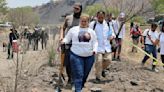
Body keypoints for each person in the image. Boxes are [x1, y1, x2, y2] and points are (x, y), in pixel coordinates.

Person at [62, 14, 98, 92]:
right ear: (80, 21)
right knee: (79, 74)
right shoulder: (73, 30)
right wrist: (63, 42)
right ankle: (78, 90)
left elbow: (95, 42)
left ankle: (78, 88)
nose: (83, 23)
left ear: (88, 22)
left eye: (85, 21)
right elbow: (67, 39)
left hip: (89, 56)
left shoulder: (91, 32)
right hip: (76, 55)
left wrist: (95, 49)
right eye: (82, 21)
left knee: (84, 76)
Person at [59, 2, 83, 85]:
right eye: (74, 8)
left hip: (79, 44)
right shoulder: (68, 18)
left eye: (77, 9)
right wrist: (61, 37)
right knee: (68, 62)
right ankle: (70, 78)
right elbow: (63, 28)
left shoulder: (83, 19)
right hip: (68, 43)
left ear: (80, 9)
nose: (75, 10)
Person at [89, 11, 115, 82]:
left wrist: (112, 36)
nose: (100, 18)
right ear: (97, 16)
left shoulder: (108, 24)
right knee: (99, 61)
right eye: (99, 17)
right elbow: (89, 33)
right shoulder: (93, 24)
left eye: (102, 17)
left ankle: (102, 69)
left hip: (107, 46)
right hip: (97, 46)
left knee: (109, 60)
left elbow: (112, 33)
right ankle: (98, 77)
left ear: (104, 17)